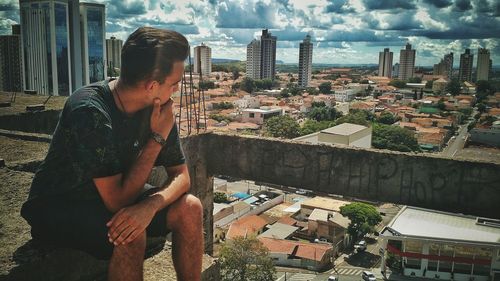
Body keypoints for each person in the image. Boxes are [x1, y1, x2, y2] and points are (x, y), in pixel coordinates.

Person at [20, 27, 203, 281]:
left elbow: (181, 176)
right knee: (130, 233)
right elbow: (117, 202)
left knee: (190, 208)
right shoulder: (89, 111)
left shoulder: (156, 107)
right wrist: (156, 139)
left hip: (114, 193)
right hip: (62, 202)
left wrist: (150, 206)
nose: (176, 91)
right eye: (174, 84)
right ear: (152, 86)